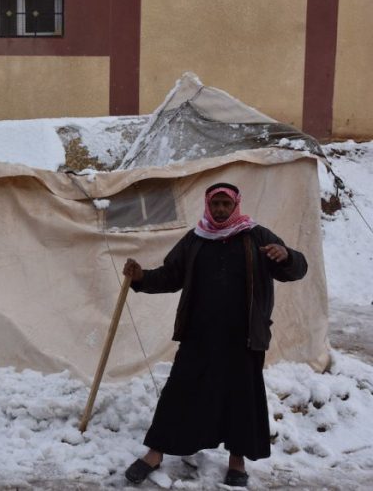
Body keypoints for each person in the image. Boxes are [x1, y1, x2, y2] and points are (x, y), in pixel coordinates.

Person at [122, 182, 307, 487]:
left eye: (226, 204)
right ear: (208, 206)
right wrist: (142, 277)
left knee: (241, 398)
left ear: (236, 205)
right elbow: (171, 275)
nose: (220, 209)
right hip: (199, 334)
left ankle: (237, 461)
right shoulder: (196, 239)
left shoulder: (256, 236)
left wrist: (287, 255)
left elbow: (296, 270)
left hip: (244, 337)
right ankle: (154, 454)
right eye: (215, 204)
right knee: (178, 392)